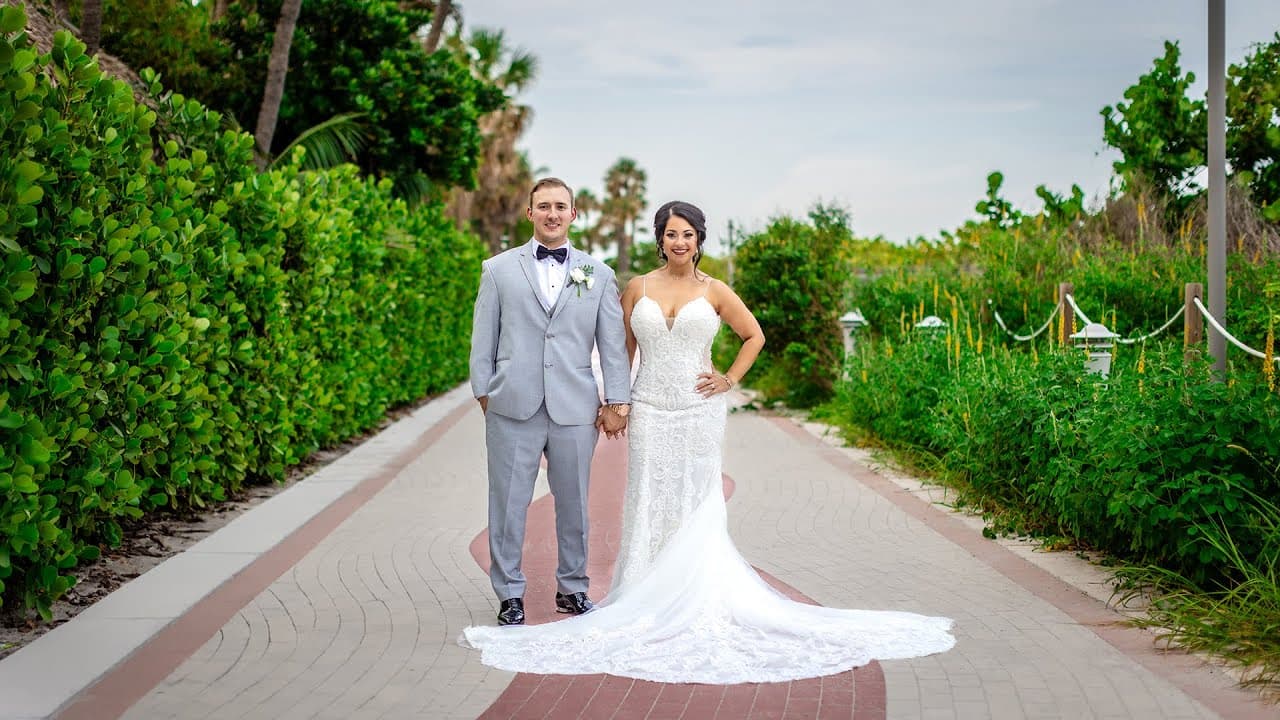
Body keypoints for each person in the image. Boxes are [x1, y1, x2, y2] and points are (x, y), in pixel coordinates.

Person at [462, 201, 954, 682]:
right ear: (660, 240)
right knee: (648, 500)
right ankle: (635, 592)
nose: (679, 242)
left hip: (698, 411)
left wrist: (729, 379)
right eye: (671, 234)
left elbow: (753, 336)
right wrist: (618, 402)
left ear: (699, 241)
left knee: (694, 502)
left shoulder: (714, 290)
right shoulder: (634, 287)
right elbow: (618, 348)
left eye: (688, 234)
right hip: (650, 407)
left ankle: (679, 591)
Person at [468, 177, 632, 626]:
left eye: (561, 206)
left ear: (574, 214)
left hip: (574, 408)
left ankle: (573, 588)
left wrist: (617, 399)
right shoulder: (497, 270)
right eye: (544, 206)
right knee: (507, 503)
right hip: (511, 407)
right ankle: (509, 595)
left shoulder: (598, 275)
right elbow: (483, 338)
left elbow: (613, 345)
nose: (552, 214)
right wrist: (486, 392)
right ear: (530, 213)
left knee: (575, 501)